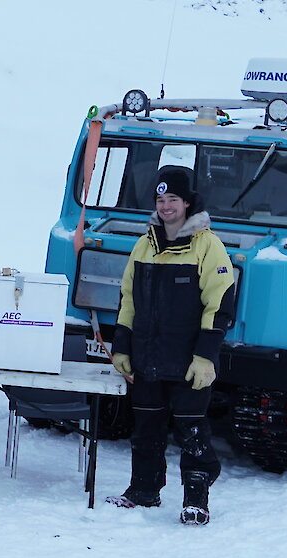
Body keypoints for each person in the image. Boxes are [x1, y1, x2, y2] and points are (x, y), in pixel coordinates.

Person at [105, 165, 236, 525]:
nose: (166, 207)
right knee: (145, 429)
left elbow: (219, 302)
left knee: (191, 430)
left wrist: (206, 356)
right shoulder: (144, 244)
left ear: (188, 203)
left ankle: (197, 499)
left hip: (189, 361)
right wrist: (122, 346)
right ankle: (143, 491)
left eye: (173, 199)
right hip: (148, 358)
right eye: (160, 200)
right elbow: (128, 298)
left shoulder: (207, 245)